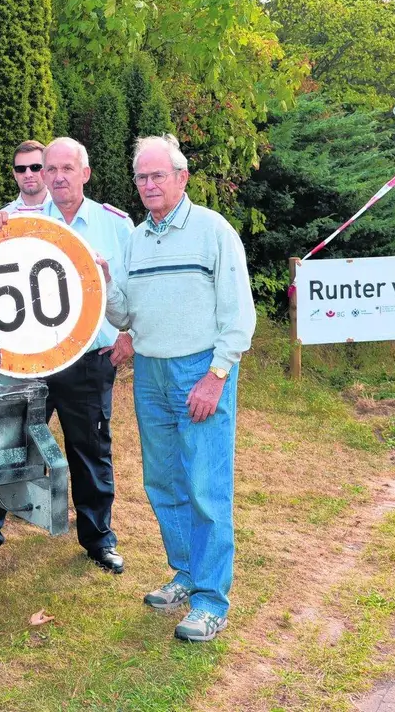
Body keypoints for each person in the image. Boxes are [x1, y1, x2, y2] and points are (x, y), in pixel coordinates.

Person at [101, 133, 255, 643]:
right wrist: (99, 283)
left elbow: (238, 313)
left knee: (206, 487)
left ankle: (212, 600)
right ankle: (186, 575)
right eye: (141, 178)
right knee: (163, 483)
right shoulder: (136, 239)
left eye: (157, 176)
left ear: (181, 178)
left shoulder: (213, 230)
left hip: (199, 372)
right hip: (149, 372)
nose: (148, 185)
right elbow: (125, 313)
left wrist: (216, 376)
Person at [0, 137, 135, 575]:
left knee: (90, 449)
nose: (57, 176)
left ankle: (99, 539)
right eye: (50, 169)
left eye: (67, 168)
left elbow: (136, 289)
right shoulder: (19, 224)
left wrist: (130, 333)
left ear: (85, 172)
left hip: (89, 358)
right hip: (29, 361)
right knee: (8, 445)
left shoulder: (116, 225)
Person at [4, 139, 49, 214]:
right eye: (21, 169)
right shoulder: (4, 218)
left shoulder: (65, 212)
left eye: (35, 167)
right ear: (14, 174)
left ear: (47, 170)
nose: (28, 175)